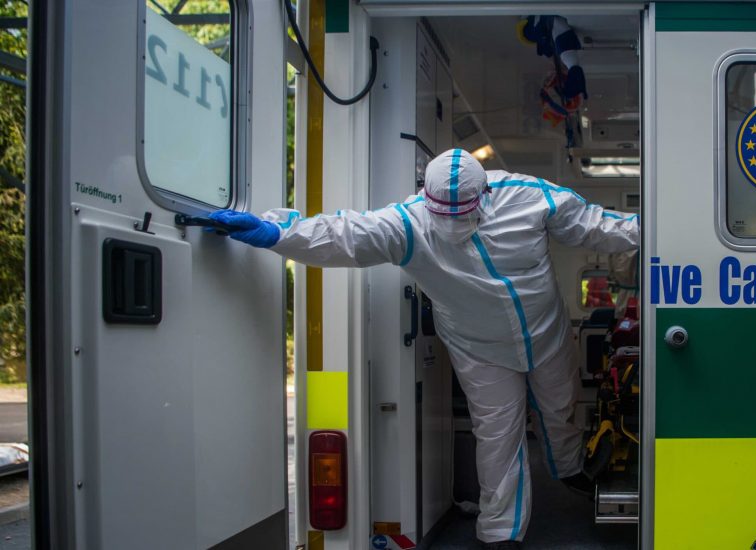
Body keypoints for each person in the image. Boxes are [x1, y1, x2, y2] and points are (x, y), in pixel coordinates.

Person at [209, 149, 639, 549]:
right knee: (497, 434)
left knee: (560, 406)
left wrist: (653, 226)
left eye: (462, 212)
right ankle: (500, 533)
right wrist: (276, 232)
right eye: (443, 214)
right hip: (479, 348)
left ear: (485, 193)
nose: (452, 224)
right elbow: (343, 234)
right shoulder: (408, 223)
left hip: (546, 332)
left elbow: (597, 225)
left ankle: (567, 467)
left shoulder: (528, 197)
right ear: (426, 197)